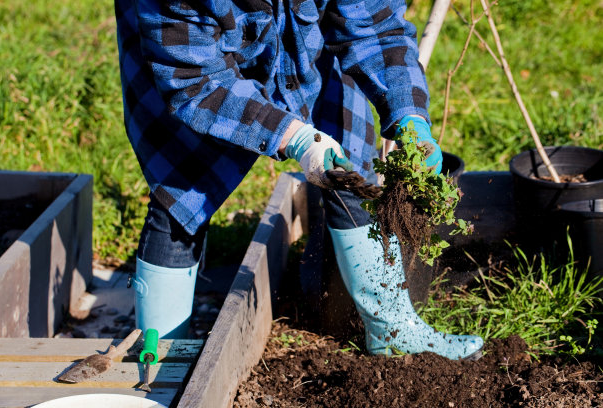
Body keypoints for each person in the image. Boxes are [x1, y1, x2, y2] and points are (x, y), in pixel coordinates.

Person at [114, 0, 483, 359]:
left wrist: (410, 117)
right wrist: (296, 138)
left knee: (352, 155)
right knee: (182, 186)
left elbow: (378, 28)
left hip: (303, 33)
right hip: (194, 60)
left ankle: (393, 330)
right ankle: (160, 357)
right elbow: (193, 83)